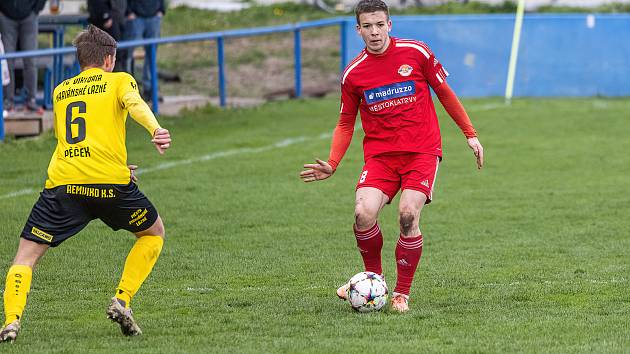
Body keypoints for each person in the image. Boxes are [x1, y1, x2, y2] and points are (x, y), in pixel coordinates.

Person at [300, 0, 484, 313]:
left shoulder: (417, 52)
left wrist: (470, 134)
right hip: (381, 158)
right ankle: (375, 281)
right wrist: (332, 163)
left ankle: (401, 293)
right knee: (363, 214)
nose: (374, 32)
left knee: (408, 215)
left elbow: (445, 94)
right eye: (367, 26)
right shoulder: (354, 74)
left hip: (421, 152)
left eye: (379, 24)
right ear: (358, 30)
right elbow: (345, 122)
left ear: (390, 24)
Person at [0, 25, 172, 343]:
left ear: (81, 59)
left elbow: (75, 139)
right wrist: (155, 129)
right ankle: (122, 300)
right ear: (109, 59)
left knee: (25, 258)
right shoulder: (119, 80)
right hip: (110, 186)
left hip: (64, 185)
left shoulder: (61, 91)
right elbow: (134, 103)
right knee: (153, 233)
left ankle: (11, 320)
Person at [0, 0, 46, 113]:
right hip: (6, 17)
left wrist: (36, 10)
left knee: (31, 61)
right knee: (7, 62)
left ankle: (31, 100)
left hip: (29, 16)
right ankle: (7, 102)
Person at [124, 0, 166, 100]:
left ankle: (149, 89)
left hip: (154, 16)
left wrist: (161, 9)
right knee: (127, 54)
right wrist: (129, 12)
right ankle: (128, 89)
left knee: (151, 55)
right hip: (135, 17)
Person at [87, 0, 129, 72]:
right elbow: (96, 4)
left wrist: (128, 12)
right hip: (106, 24)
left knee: (120, 54)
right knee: (106, 56)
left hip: (118, 20)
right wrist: (105, 16)